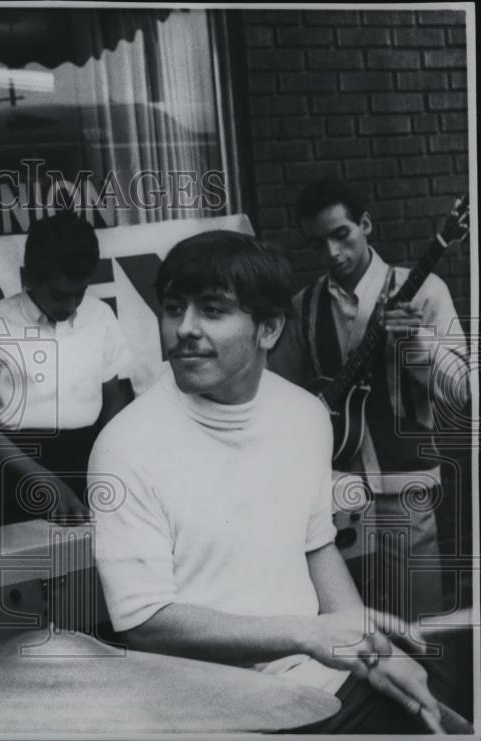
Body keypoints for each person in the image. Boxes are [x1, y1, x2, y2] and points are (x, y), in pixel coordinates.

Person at [90, 230, 447, 733]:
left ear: (269, 328)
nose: (184, 329)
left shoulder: (305, 416)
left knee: (439, 714)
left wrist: (364, 646)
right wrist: (306, 634)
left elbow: (314, 545)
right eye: (173, 308)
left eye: (212, 310)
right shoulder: (124, 445)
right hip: (200, 708)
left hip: (316, 682)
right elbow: (145, 621)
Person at [268, 179, 470, 623]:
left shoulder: (423, 290)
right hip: (335, 490)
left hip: (406, 485)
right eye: (318, 243)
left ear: (365, 224)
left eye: (342, 235)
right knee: (353, 625)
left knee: (420, 623)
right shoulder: (305, 306)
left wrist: (417, 344)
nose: (332, 255)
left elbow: (462, 391)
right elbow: (278, 394)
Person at [0, 211, 135, 522]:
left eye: (79, 293)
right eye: (58, 295)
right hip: (17, 468)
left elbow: (115, 399)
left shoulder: (101, 316)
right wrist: (42, 478)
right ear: (28, 278)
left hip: (91, 461)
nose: (70, 306)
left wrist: (105, 467)